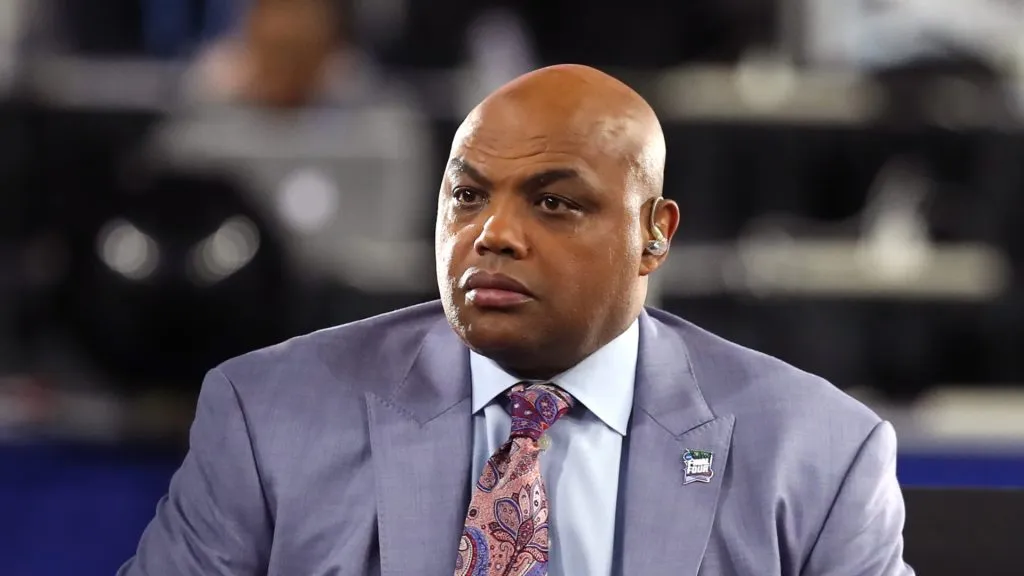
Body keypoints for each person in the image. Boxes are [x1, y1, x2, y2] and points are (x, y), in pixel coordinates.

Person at [119, 65, 914, 575]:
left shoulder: (818, 453)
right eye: (467, 196)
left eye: (553, 202)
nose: (492, 233)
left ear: (654, 235)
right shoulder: (270, 415)